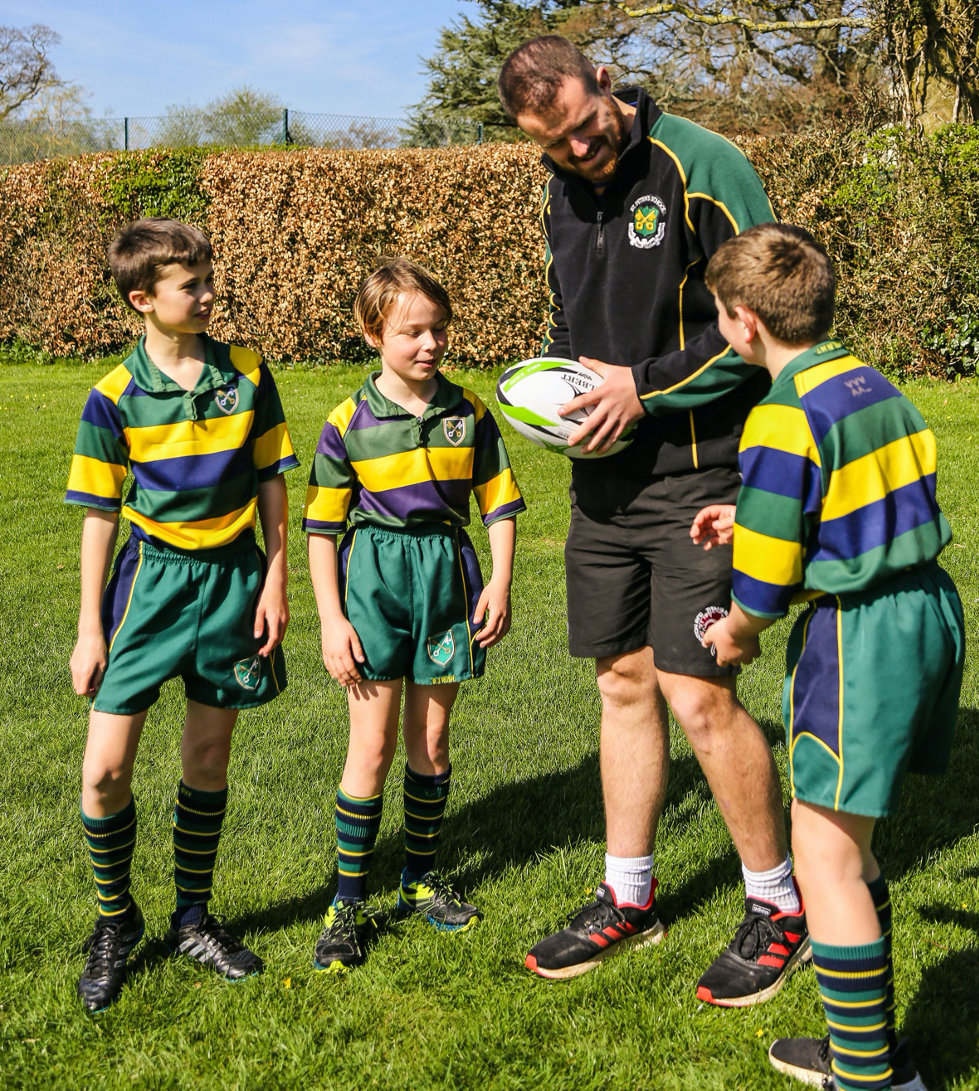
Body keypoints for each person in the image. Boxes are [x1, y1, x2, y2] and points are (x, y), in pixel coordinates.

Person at [498, 35, 807, 1002]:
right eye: (555, 148)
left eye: (587, 132)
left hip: (699, 474)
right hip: (604, 483)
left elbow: (761, 325)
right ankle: (627, 892)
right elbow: (574, 319)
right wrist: (561, 397)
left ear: (604, 82)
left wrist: (648, 391)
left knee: (696, 687)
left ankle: (779, 902)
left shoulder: (699, 164)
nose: (580, 156)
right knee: (621, 681)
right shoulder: (558, 185)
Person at [691, 222, 962, 1091]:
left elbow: (763, 584)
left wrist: (732, 632)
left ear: (742, 323)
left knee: (822, 858)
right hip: (923, 607)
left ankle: (873, 1080)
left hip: (859, 635)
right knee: (853, 843)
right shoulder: (869, 382)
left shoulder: (780, 412)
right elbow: (868, 493)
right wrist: (760, 516)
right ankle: (863, 1048)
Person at [66, 218, 300, 1012]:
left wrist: (276, 579)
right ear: (144, 298)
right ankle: (115, 920)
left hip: (235, 579)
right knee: (103, 771)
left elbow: (273, 479)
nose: (208, 293)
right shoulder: (111, 396)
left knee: (206, 760)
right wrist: (90, 626)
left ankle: (193, 916)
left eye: (208, 277)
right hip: (149, 585)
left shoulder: (246, 370)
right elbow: (99, 514)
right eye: (190, 284)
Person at [303, 258, 526, 972]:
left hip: (446, 580)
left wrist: (498, 581)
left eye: (437, 329)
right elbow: (319, 530)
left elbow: (498, 500)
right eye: (411, 333)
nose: (429, 344)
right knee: (369, 748)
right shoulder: (347, 422)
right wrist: (331, 620)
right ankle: (346, 901)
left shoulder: (469, 411)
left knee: (430, 742)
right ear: (373, 333)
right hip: (372, 582)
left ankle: (419, 879)